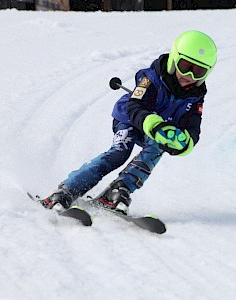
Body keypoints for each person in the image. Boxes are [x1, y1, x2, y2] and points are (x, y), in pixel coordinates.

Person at [42, 30, 217, 215]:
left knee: (157, 148)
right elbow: (134, 107)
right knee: (120, 152)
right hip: (129, 120)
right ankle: (66, 190)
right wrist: (154, 124)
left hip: (158, 131)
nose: (189, 74)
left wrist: (184, 143)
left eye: (198, 71)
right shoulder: (151, 78)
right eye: (184, 66)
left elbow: (193, 127)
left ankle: (118, 189)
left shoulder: (196, 96)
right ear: (174, 59)